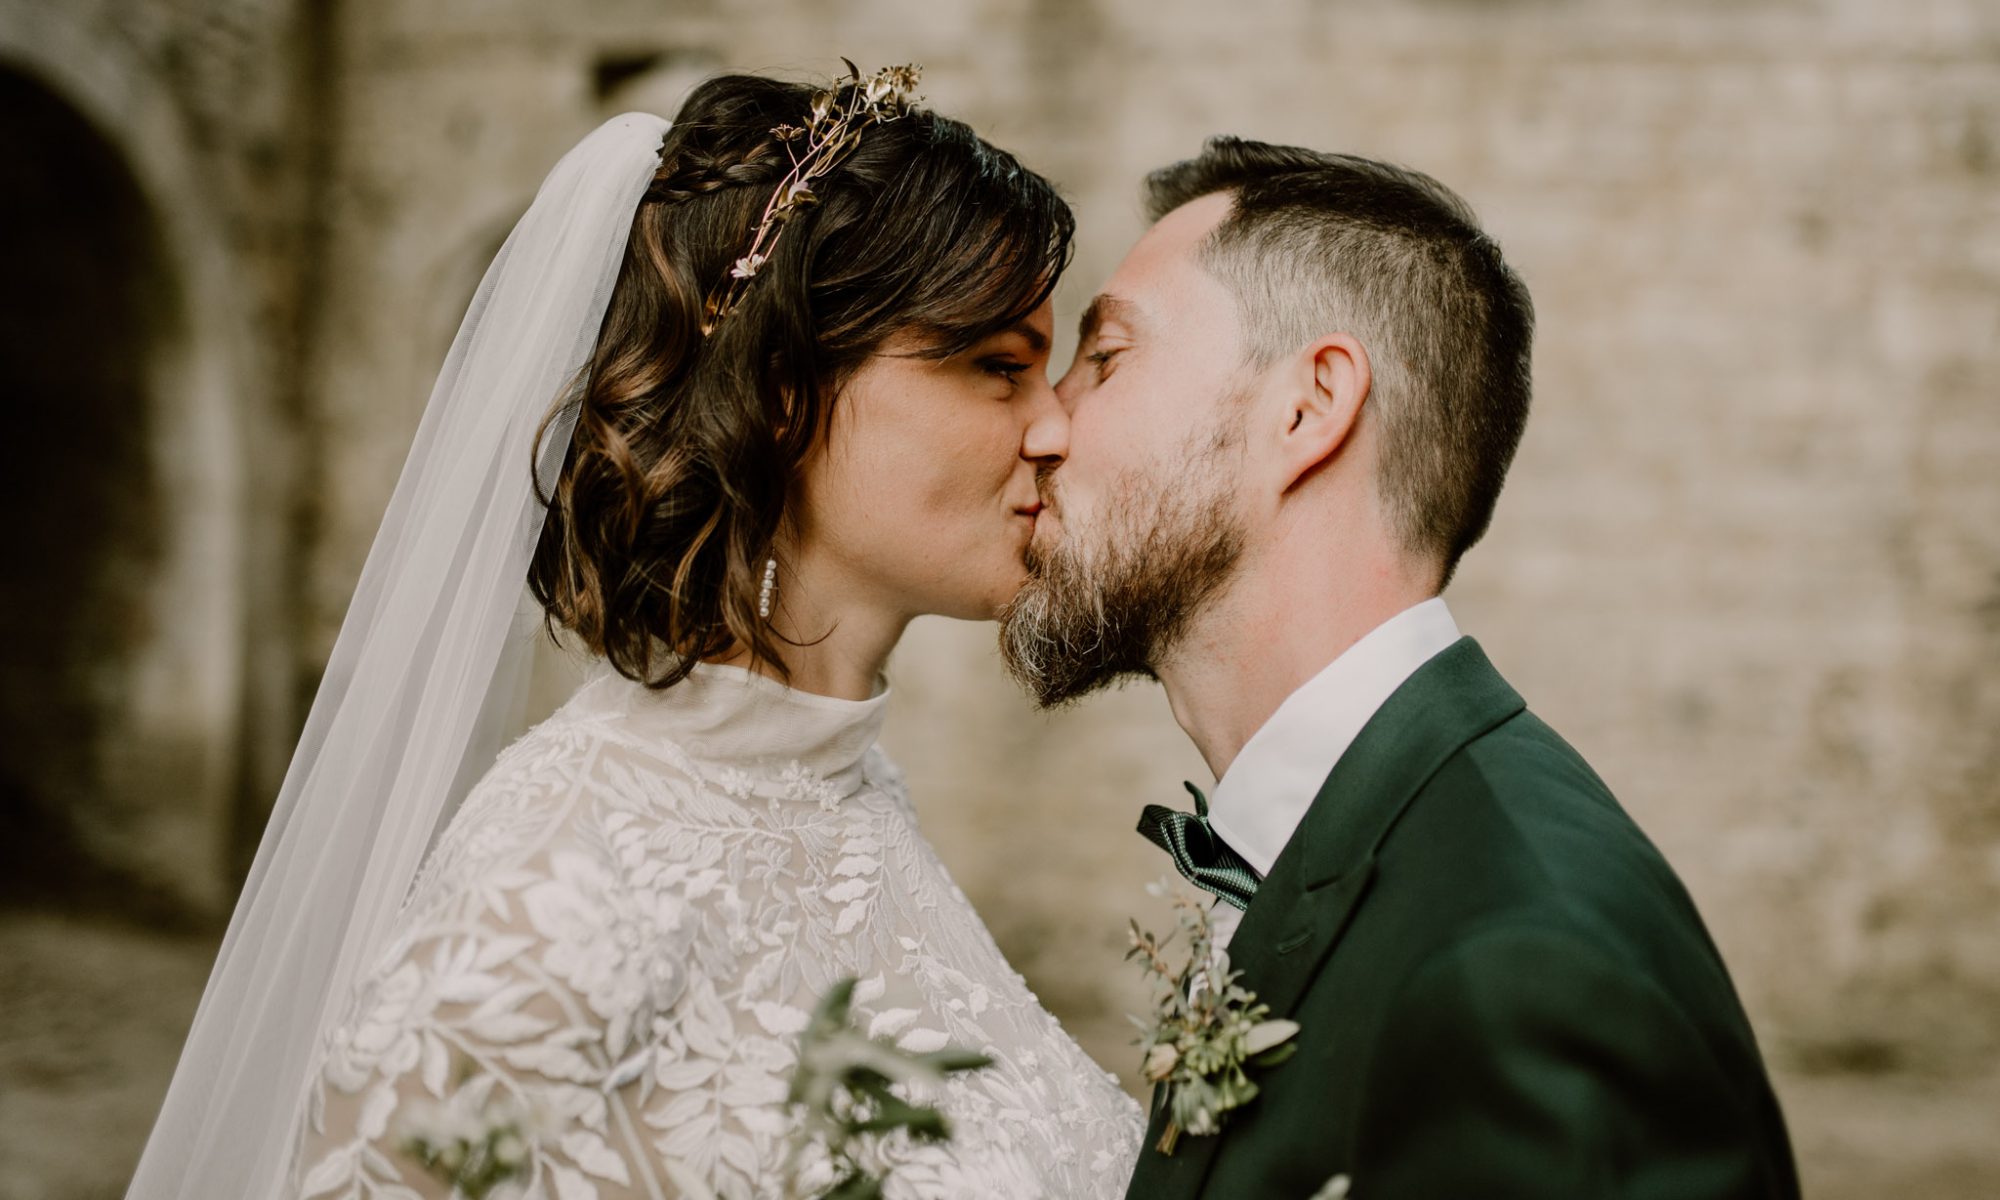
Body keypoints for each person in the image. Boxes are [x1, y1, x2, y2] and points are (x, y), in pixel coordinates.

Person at [130, 71, 1143, 1200]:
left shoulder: (843, 799)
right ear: (778, 389)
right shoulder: (553, 905)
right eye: (997, 367)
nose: (1054, 426)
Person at [1001, 138, 1801, 1199]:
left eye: (1103, 358)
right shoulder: (1374, 840)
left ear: (1305, 408)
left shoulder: (1522, 971)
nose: (1044, 422)